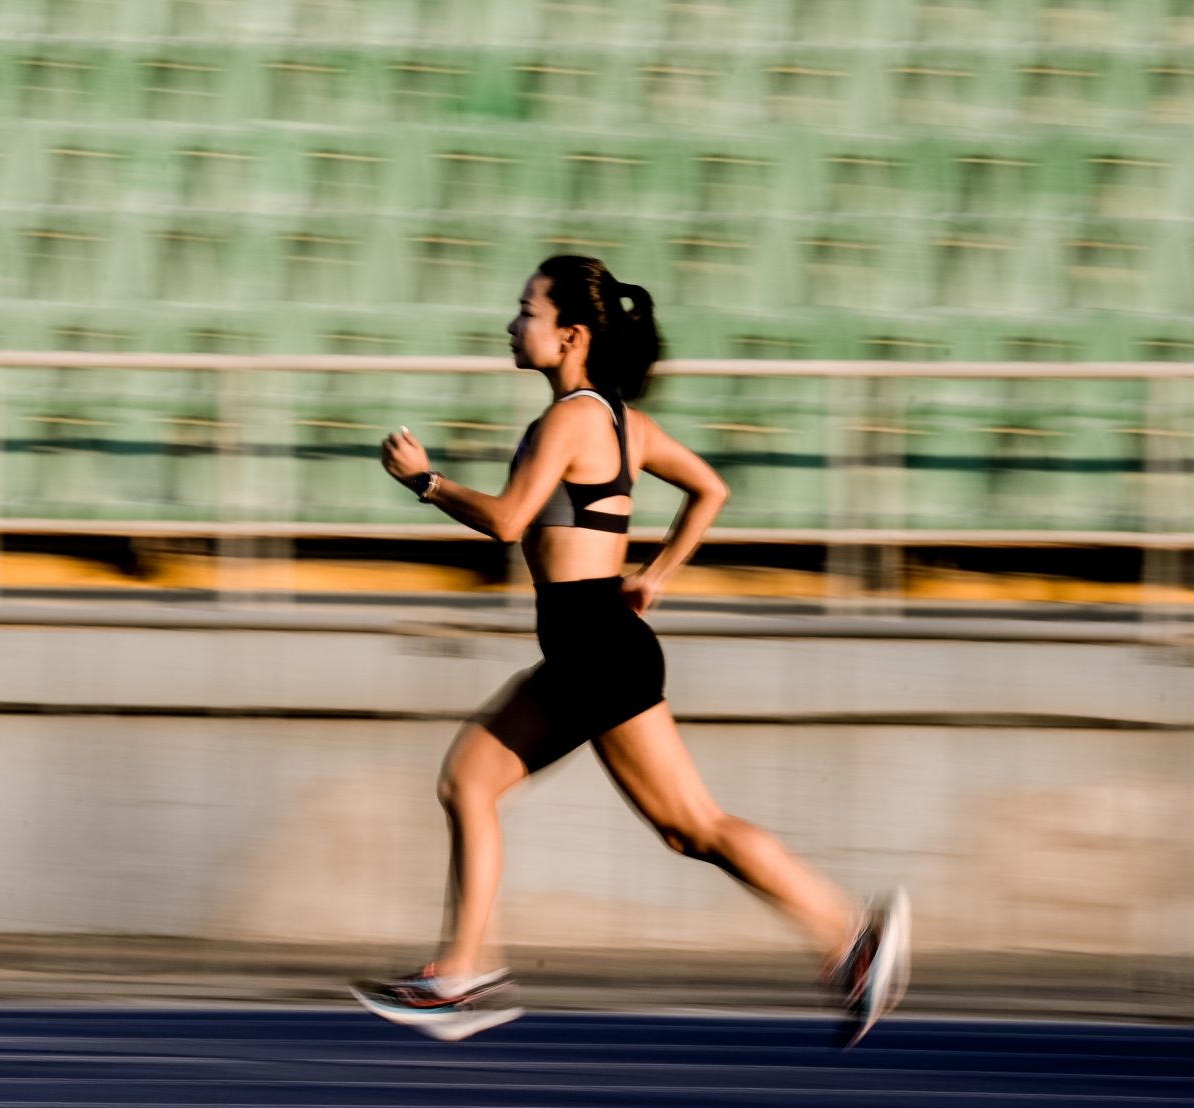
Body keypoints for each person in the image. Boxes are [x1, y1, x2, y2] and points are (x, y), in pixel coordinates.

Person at [350, 255, 908, 1045]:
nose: (512, 325)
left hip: (595, 650)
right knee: (474, 780)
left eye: (526, 311)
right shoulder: (620, 420)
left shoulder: (571, 420)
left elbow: (509, 521)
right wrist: (655, 577)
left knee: (694, 826)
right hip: (593, 642)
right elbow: (709, 488)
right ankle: (461, 970)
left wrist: (426, 481)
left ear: (570, 333)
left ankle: (854, 936)